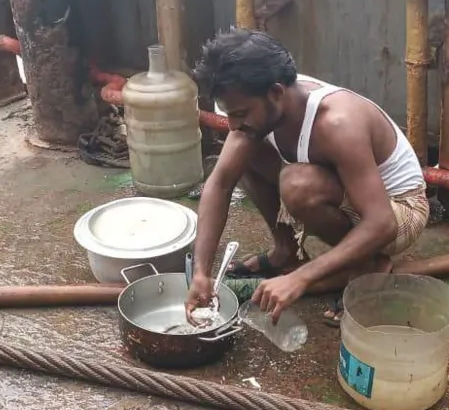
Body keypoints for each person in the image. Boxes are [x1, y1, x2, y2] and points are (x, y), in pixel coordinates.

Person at [184, 29, 429, 325]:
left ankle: (369, 263)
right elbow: (220, 184)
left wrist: (301, 279)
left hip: (399, 209)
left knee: (298, 185)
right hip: (351, 196)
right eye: (229, 113)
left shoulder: (337, 123)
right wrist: (200, 273)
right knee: (242, 155)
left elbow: (382, 223)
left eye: (241, 112)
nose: (233, 124)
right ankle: (286, 252)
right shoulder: (261, 111)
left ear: (275, 93)